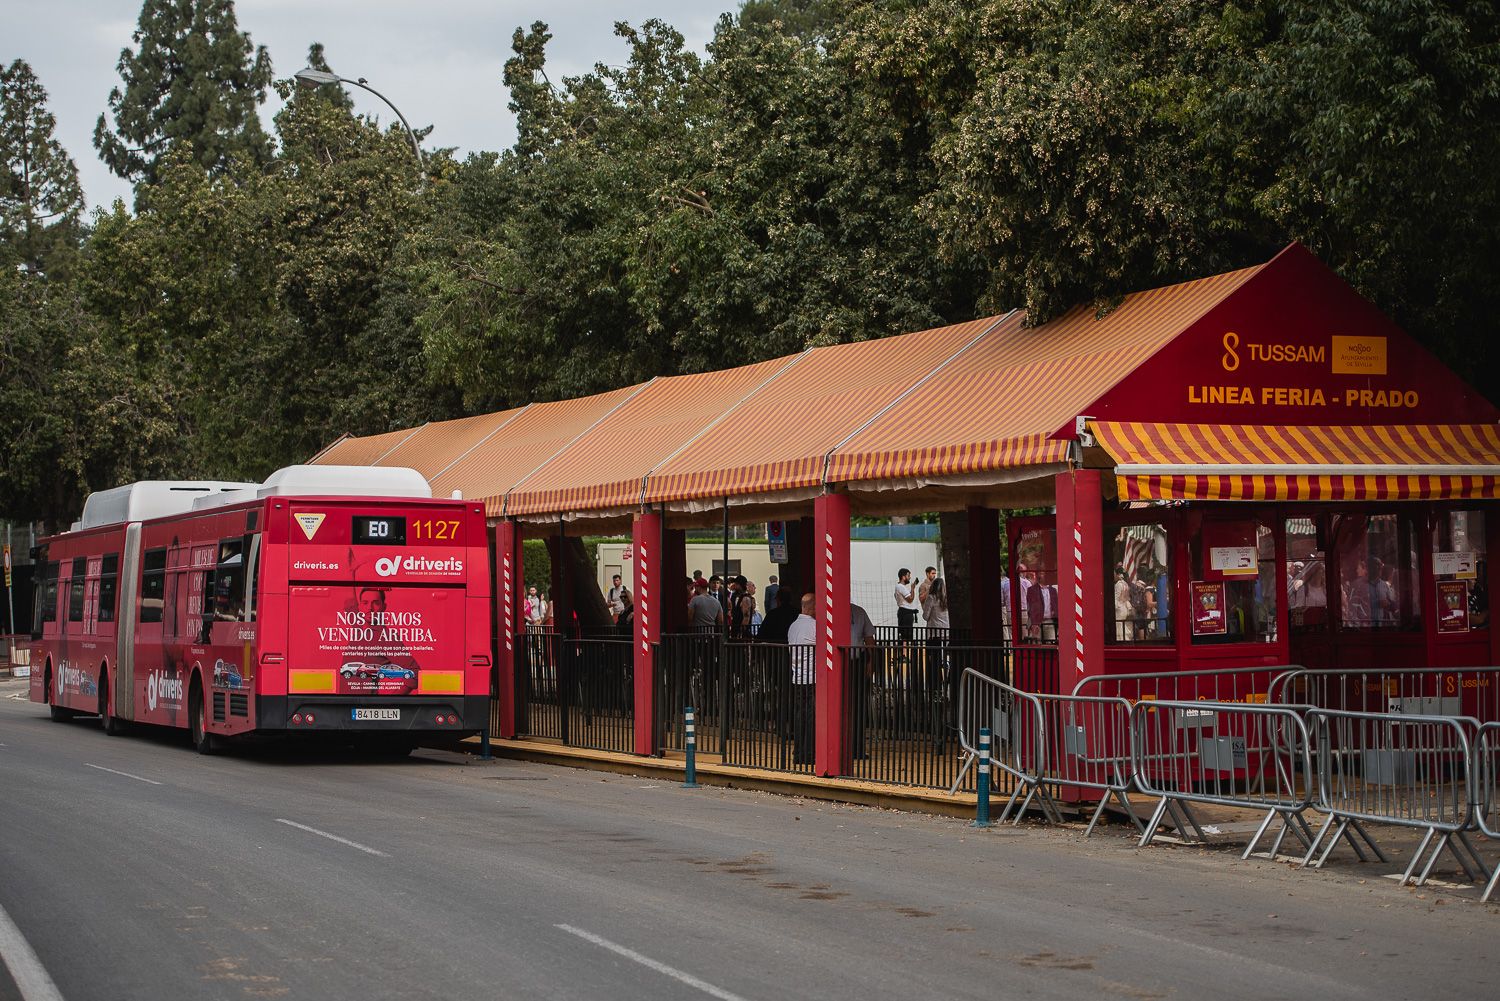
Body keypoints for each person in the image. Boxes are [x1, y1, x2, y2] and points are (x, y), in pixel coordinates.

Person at [787, 593, 817, 765]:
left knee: (800, 715)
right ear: (811, 607)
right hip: (811, 678)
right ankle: (809, 753)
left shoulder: (793, 626)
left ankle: (798, 752)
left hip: (797, 678)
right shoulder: (815, 626)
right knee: (811, 717)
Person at [894, 569, 919, 641]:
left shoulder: (900, 587)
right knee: (906, 635)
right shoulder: (900, 586)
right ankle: (905, 651)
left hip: (904, 612)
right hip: (905, 613)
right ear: (903, 577)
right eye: (908, 576)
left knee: (906, 634)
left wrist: (912, 587)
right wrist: (912, 588)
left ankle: (905, 650)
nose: (909, 577)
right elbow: (910, 599)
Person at [1113, 565, 1134, 640]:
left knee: (1118, 626)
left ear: (1118, 574)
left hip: (1119, 608)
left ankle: (1122, 640)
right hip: (1125, 607)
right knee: (1121, 626)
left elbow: (1116, 597)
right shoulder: (1125, 584)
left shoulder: (1118, 584)